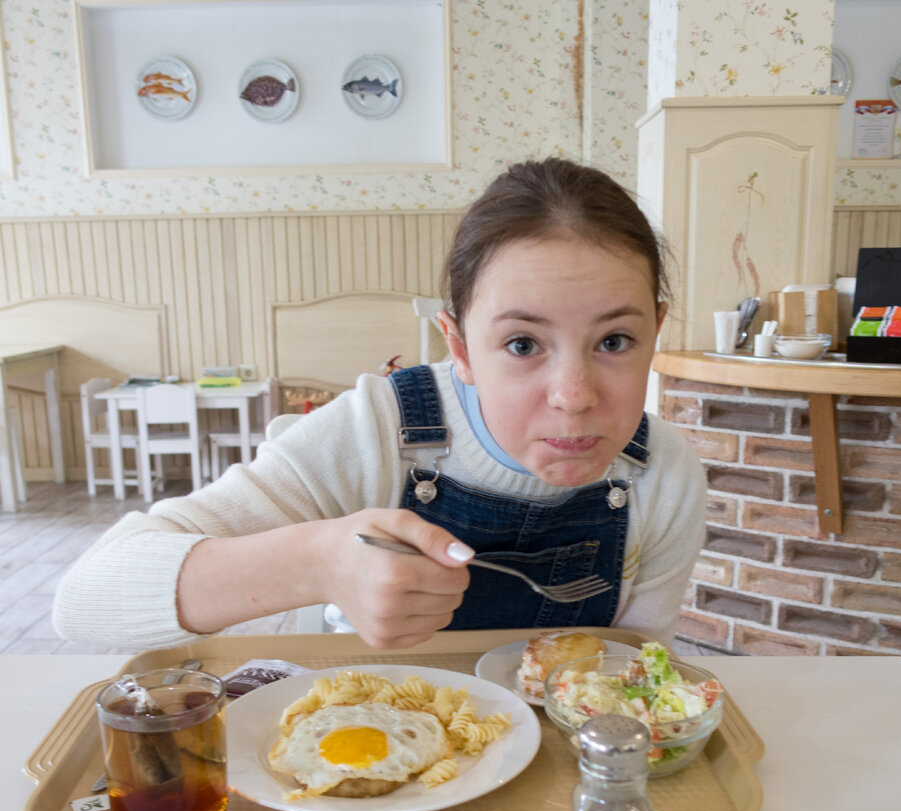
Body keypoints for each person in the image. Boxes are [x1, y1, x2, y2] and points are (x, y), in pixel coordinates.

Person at [54, 158, 705, 651]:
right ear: (461, 349)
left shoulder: (665, 475)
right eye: (522, 343)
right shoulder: (382, 428)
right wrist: (319, 562)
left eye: (614, 340)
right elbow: (85, 600)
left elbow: (639, 678)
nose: (574, 397)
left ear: (656, 329)